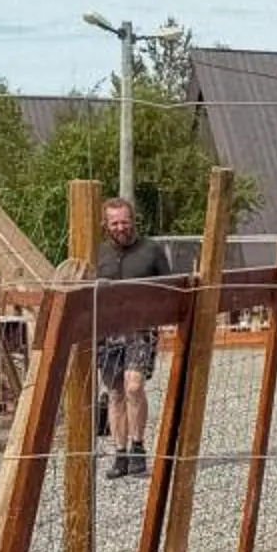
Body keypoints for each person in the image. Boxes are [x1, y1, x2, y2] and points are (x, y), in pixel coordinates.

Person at [92, 197, 175, 479]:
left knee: (134, 386)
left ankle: (138, 445)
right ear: (105, 225)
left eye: (124, 221)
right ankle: (121, 453)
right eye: (114, 222)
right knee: (114, 392)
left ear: (133, 221)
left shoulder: (151, 250)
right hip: (107, 331)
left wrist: (164, 317)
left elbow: (171, 287)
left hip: (141, 328)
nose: (120, 227)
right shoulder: (97, 253)